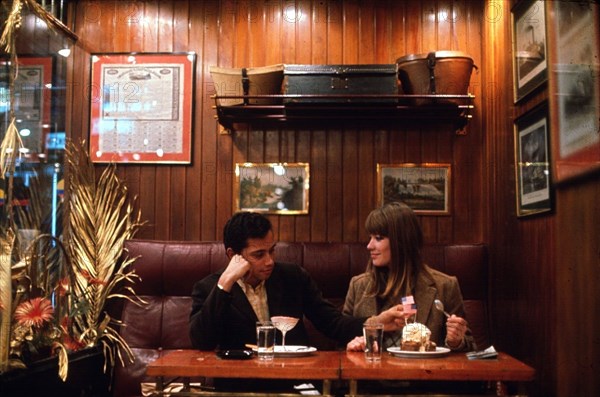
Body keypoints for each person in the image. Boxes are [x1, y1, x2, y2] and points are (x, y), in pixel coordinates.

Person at [189, 211, 405, 352]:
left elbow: (333, 324)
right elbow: (202, 341)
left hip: (293, 381)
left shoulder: (293, 277)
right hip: (239, 385)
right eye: (259, 254)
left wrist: (377, 322)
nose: (269, 261)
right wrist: (225, 283)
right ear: (232, 255)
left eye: (272, 251)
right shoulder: (209, 288)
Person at [344, 202, 476, 353]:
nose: (369, 246)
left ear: (402, 241)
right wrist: (353, 344)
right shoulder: (358, 285)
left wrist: (455, 341)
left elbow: (470, 349)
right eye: (370, 237)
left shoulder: (445, 285)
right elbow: (340, 340)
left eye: (378, 238)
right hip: (372, 373)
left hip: (424, 374)